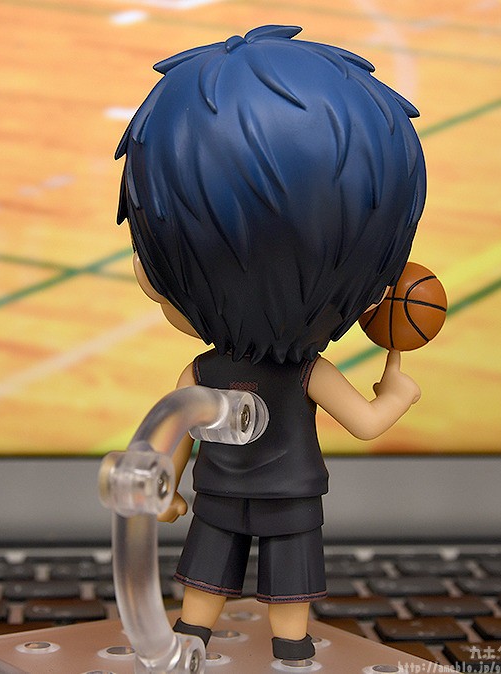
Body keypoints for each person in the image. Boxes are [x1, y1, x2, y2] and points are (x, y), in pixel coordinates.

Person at [116, 24, 426, 662]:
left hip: (228, 494)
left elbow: (173, 433)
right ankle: (287, 647)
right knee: (276, 574)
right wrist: (398, 392)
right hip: (281, 496)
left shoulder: (204, 370)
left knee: (212, 571)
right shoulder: (305, 370)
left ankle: (202, 637)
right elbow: (368, 422)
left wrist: (164, 488)